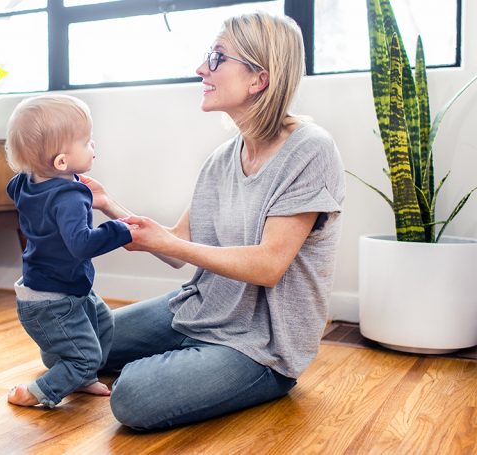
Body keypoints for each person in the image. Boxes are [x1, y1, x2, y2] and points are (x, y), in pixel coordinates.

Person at [81, 12, 346, 430]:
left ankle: (218, 370)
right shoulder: (223, 158)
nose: (201, 68)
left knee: (132, 396)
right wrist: (109, 204)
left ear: (259, 78)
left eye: (218, 58)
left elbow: (268, 266)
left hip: (261, 345)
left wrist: (166, 244)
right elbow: (176, 245)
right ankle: (191, 357)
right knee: (76, 344)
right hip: (201, 309)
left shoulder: (310, 150)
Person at [4, 94, 133, 408]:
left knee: (104, 322)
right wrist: (119, 230)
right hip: (54, 300)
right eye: (87, 142)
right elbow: (81, 244)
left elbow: (15, 186)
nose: (93, 146)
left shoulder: (25, 182)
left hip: (58, 289)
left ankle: (77, 373)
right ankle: (39, 391)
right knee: (88, 358)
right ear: (61, 162)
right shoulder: (70, 197)